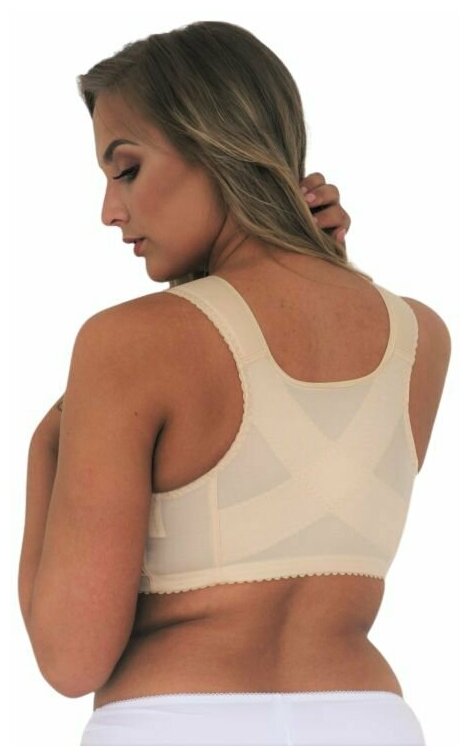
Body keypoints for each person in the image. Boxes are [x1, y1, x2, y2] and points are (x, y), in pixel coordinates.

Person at [18, 21, 451, 746]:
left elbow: (71, 658)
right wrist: (323, 268)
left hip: (173, 727)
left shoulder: (129, 344)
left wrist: (49, 439)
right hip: (370, 726)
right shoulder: (422, 339)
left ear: (215, 143)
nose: (110, 211)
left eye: (126, 169)